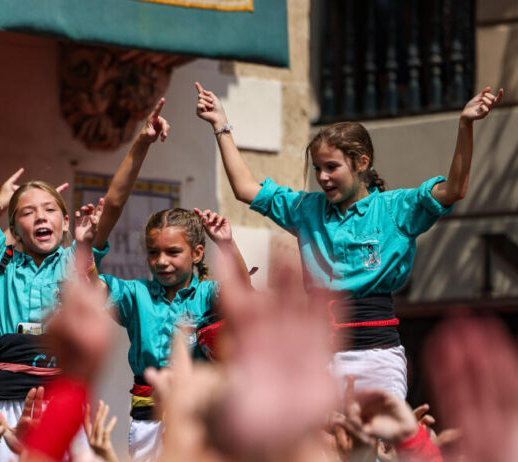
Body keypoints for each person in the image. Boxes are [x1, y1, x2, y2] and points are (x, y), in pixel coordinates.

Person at [195, 81, 505, 397]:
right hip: (319, 358)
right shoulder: (306, 209)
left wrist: (465, 124)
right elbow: (245, 188)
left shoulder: (396, 208)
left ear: (361, 163)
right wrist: (221, 125)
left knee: (378, 445)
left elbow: (454, 189)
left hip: (378, 357)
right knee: (320, 446)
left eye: (332, 167)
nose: (322, 177)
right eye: (317, 168)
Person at [0, 98, 171, 462]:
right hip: (6, 402)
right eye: (27, 212)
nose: (40, 217)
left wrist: (142, 143)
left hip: (64, 399)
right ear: (14, 229)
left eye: (49, 209)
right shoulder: (0, 257)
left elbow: (113, 202)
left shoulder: (77, 258)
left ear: (64, 222)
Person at [100, 207, 249, 462]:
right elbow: (91, 284)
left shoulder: (207, 294)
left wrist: (226, 244)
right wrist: (86, 243)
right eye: (153, 252)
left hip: (196, 415)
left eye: (173, 252)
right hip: (147, 416)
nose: (161, 261)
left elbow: (242, 294)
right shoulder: (135, 294)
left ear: (197, 253)